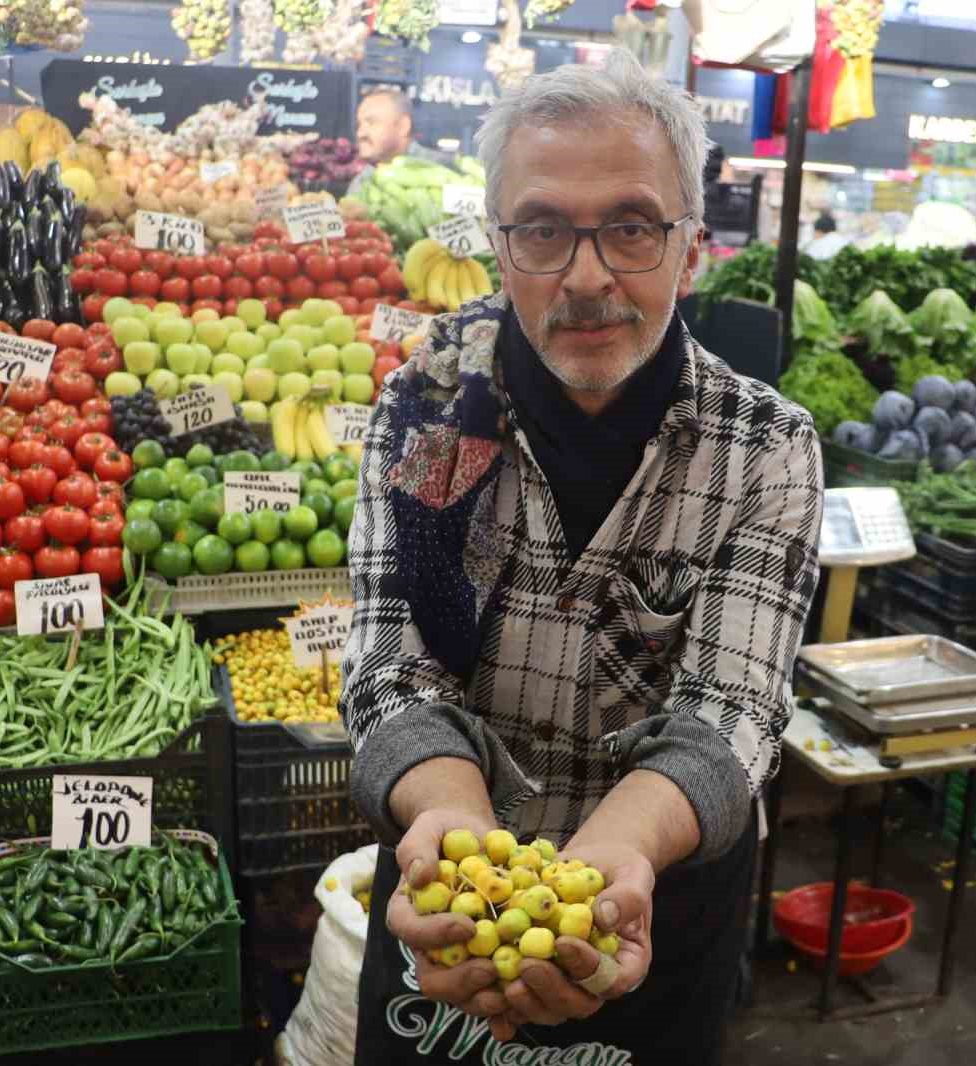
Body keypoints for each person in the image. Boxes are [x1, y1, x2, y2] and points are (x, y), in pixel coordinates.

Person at [341, 48, 823, 1066]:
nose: (589, 275)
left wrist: (621, 853)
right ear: (498, 246)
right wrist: (452, 830)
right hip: (448, 891)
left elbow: (730, 709)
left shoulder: (763, 448)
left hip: (649, 903)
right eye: (545, 230)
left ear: (691, 248)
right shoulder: (430, 408)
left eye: (634, 227)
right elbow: (395, 665)